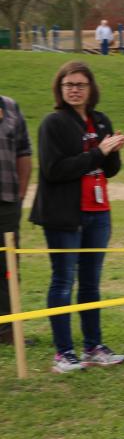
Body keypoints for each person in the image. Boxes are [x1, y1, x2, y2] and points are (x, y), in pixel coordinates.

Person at [31, 61, 124, 372]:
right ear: (60, 90)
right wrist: (99, 153)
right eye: (68, 85)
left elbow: (110, 170)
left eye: (80, 84)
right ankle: (63, 353)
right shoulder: (53, 123)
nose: (74, 89)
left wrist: (112, 152)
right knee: (63, 281)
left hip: (98, 213)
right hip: (63, 215)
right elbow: (54, 169)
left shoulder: (100, 121)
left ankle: (93, 346)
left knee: (90, 284)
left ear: (91, 89)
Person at [0, 90, 32, 347]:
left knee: (8, 267)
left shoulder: (10, 106)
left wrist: (20, 194)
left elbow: (24, 152)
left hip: (7, 202)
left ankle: (8, 330)